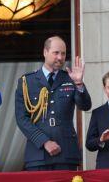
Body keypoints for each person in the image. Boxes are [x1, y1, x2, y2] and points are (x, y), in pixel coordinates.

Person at [15, 36, 92, 171]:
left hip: (66, 152)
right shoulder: (27, 82)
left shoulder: (70, 78)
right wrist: (44, 141)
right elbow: (22, 118)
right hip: (37, 155)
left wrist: (79, 84)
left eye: (63, 53)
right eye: (56, 53)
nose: (60, 57)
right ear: (45, 52)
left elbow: (85, 106)